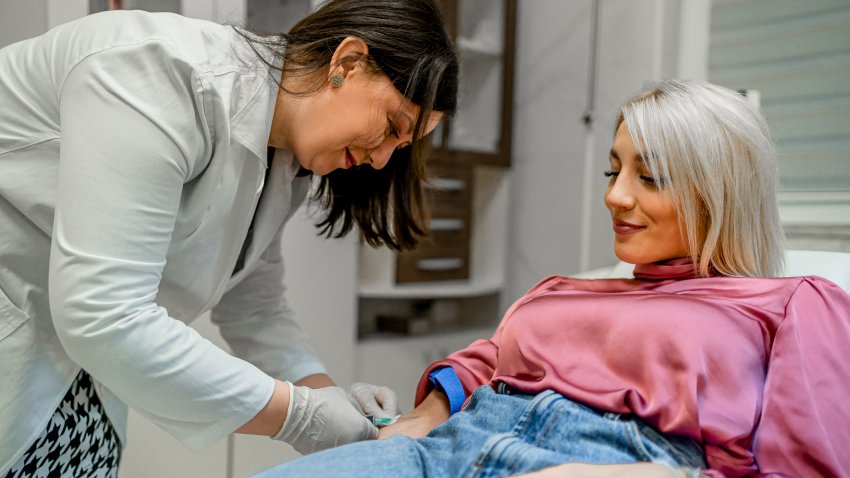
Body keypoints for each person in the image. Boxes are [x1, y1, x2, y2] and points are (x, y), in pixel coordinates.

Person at [252, 80, 850, 478]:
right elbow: (485, 361)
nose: (614, 196)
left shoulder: (791, 304)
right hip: (440, 453)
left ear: (720, 189)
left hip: (605, 462)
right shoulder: (561, 291)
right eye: (613, 170)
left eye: (651, 177)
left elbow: (807, 464)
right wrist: (425, 414)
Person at [0, 0, 458, 475]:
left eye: (400, 148)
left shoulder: (284, 159)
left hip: (76, 383)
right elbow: (103, 314)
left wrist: (327, 396)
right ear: (346, 63)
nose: (383, 160)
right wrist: (298, 415)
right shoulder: (157, 75)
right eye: (390, 127)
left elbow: (253, 304)